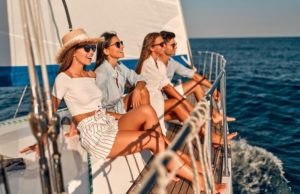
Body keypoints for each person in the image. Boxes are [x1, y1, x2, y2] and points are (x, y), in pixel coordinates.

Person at [51, 28, 226, 192]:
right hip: (95, 135)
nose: (91, 52)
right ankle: (196, 178)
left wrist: (127, 105)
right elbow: (54, 112)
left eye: (92, 48)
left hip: (107, 121)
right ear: (73, 51)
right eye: (87, 48)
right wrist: (45, 139)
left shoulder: (91, 75)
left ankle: (169, 160)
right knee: (152, 138)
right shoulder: (63, 79)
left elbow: (97, 107)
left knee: (146, 111)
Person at [159, 30, 236, 123]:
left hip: (167, 96)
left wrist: (213, 88)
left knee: (196, 84)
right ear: (163, 46)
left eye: (176, 44)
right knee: (192, 113)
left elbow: (195, 76)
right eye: (173, 45)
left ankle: (214, 115)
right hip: (159, 102)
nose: (176, 47)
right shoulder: (153, 64)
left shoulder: (172, 63)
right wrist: (186, 104)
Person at [94, 32, 149, 115]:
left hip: (119, 108)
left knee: (142, 91)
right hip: (109, 115)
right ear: (106, 51)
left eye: (121, 43)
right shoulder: (101, 74)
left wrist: (137, 90)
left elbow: (140, 78)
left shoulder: (119, 66)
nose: (123, 46)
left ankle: (145, 122)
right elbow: (96, 108)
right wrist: (121, 116)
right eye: (117, 44)